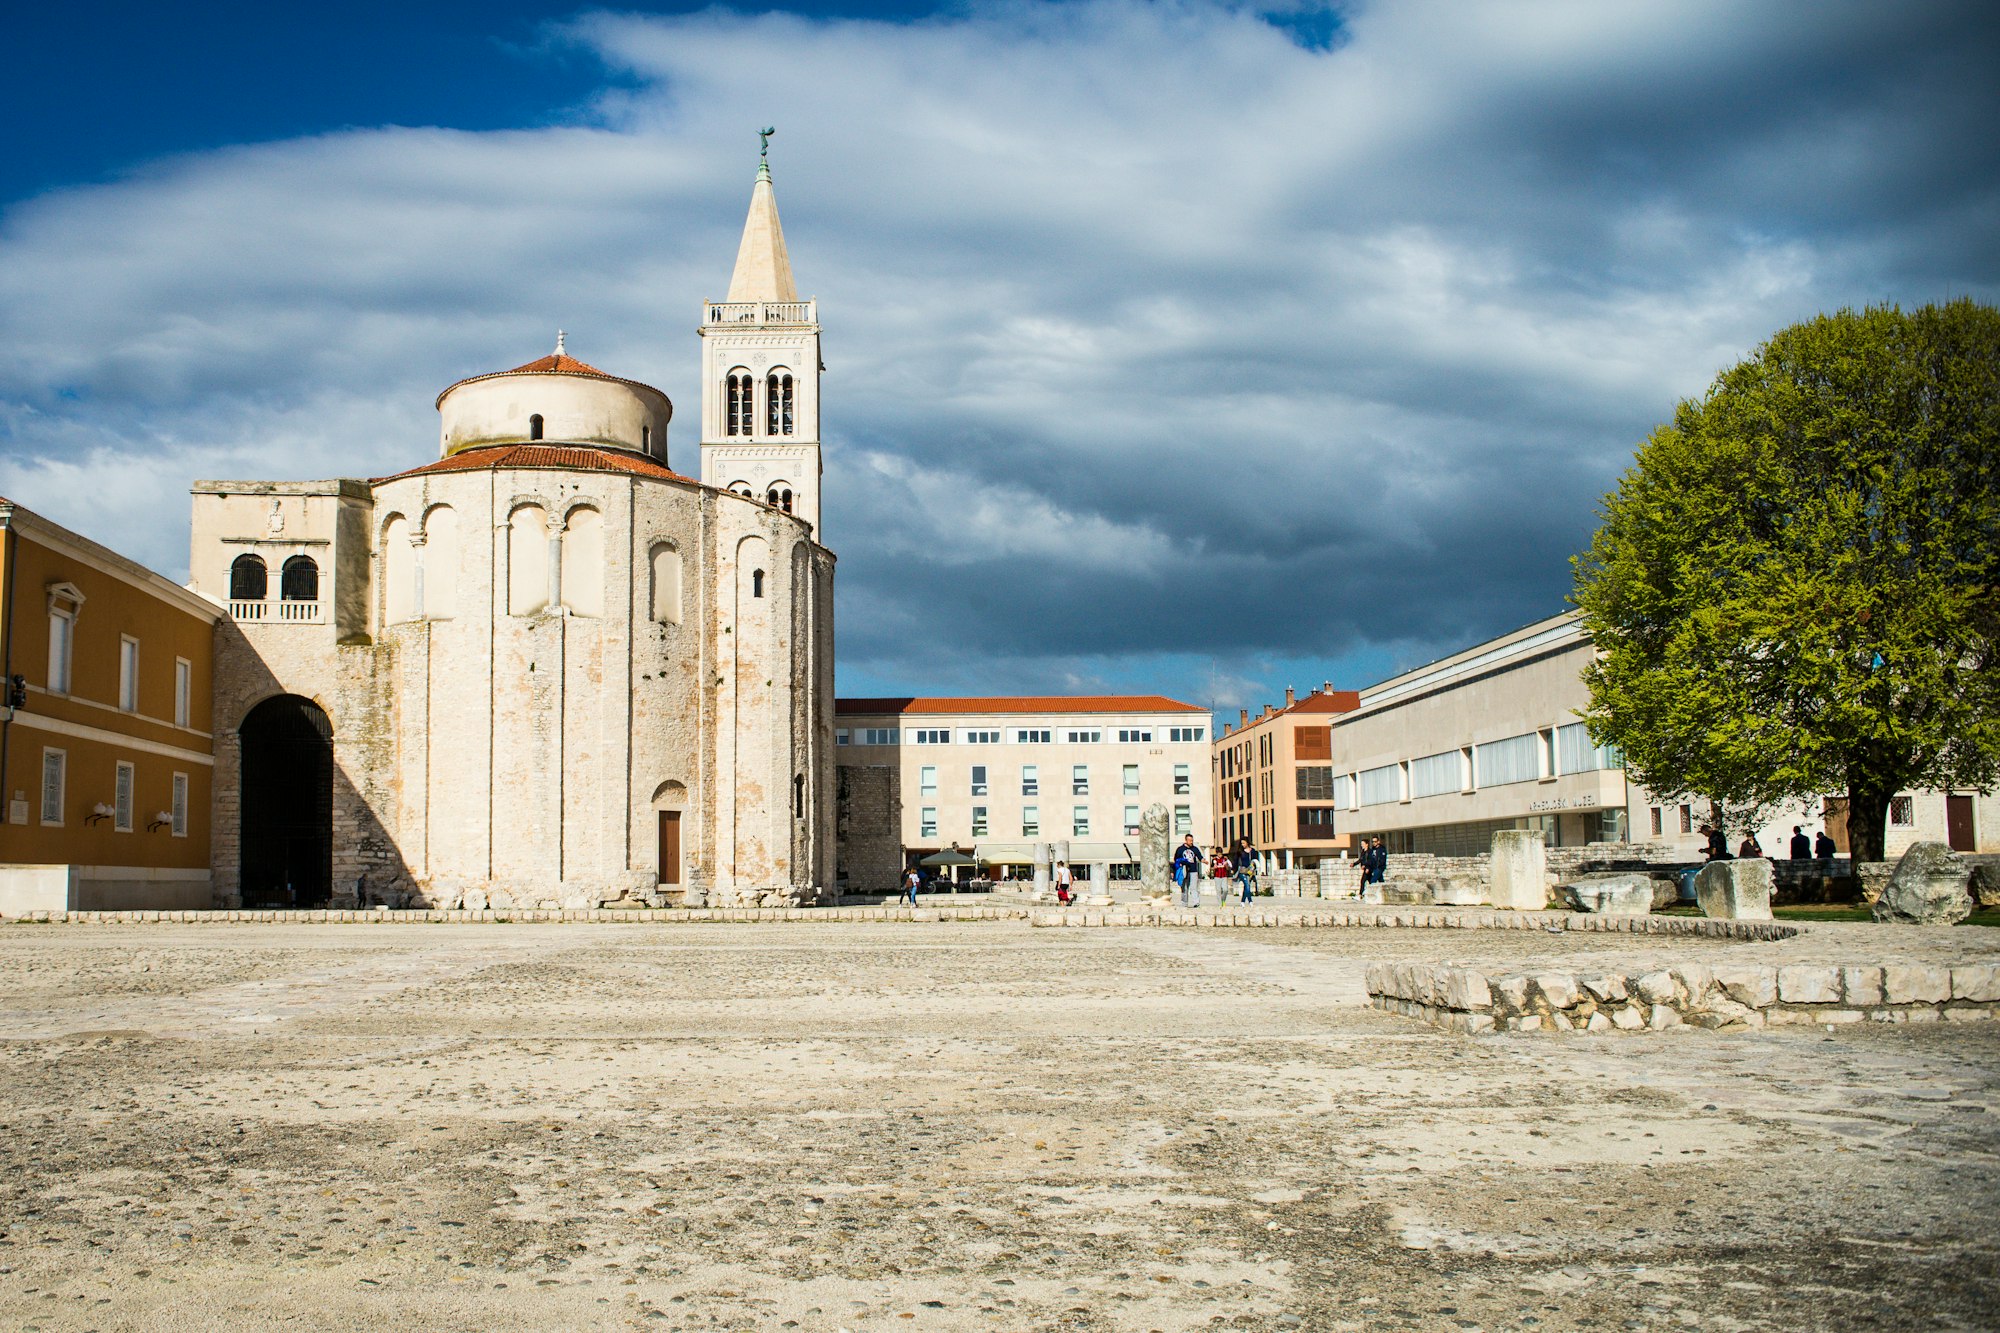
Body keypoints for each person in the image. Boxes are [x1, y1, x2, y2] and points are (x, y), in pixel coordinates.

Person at [1172, 835, 1204, 908]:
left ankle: (1196, 902)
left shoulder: (1195, 849)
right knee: (1184, 887)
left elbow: (1200, 857)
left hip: (1193, 870)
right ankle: (1184, 903)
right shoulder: (1180, 849)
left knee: (1194, 887)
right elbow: (1175, 859)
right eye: (1190, 840)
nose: (1191, 842)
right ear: (1186, 840)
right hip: (1184, 870)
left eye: (1192, 840)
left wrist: (1204, 860)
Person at [1231, 837, 1259, 903]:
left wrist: (1255, 868)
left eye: (1243, 843)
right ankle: (1250, 901)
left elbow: (1255, 860)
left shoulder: (1253, 851)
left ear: (1247, 843)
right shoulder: (1240, 852)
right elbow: (1236, 861)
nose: (1242, 844)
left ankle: (1242, 901)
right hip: (1242, 871)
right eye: (1241, 843)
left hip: (1250, 871)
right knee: (1247, 885)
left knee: (1247, 886)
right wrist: (1233, 869)